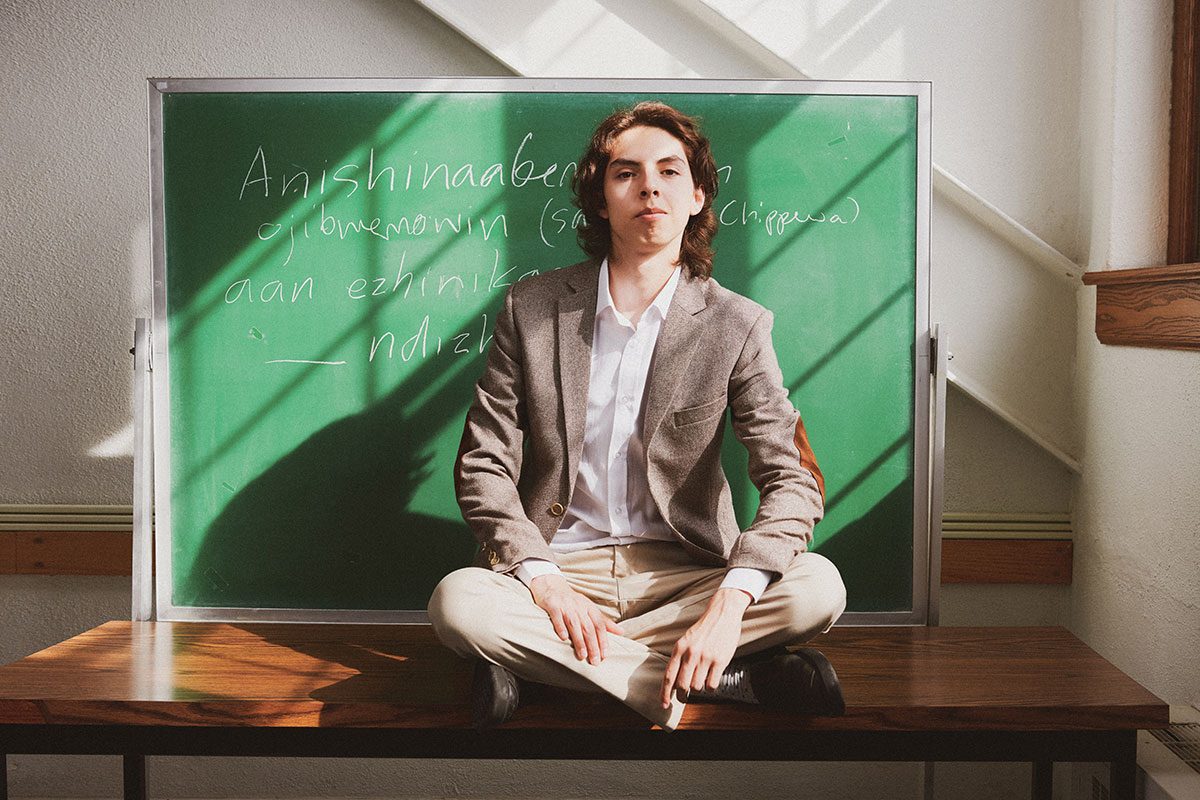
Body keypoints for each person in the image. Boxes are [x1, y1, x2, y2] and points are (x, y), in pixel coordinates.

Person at [428, 101, 847, 731]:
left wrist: (729, 605)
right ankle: (722, 681)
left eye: (670, 172)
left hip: (687, 574)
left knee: (819, 588)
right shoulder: (533, 309)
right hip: (561, 572)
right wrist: (546, 583)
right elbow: (483, 466)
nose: (649, 185)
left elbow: (794, 480)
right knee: (458, 603)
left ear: (698, 195)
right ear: (601, 200)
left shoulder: (738, 324)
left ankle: (554, 674)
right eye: (625, 173)